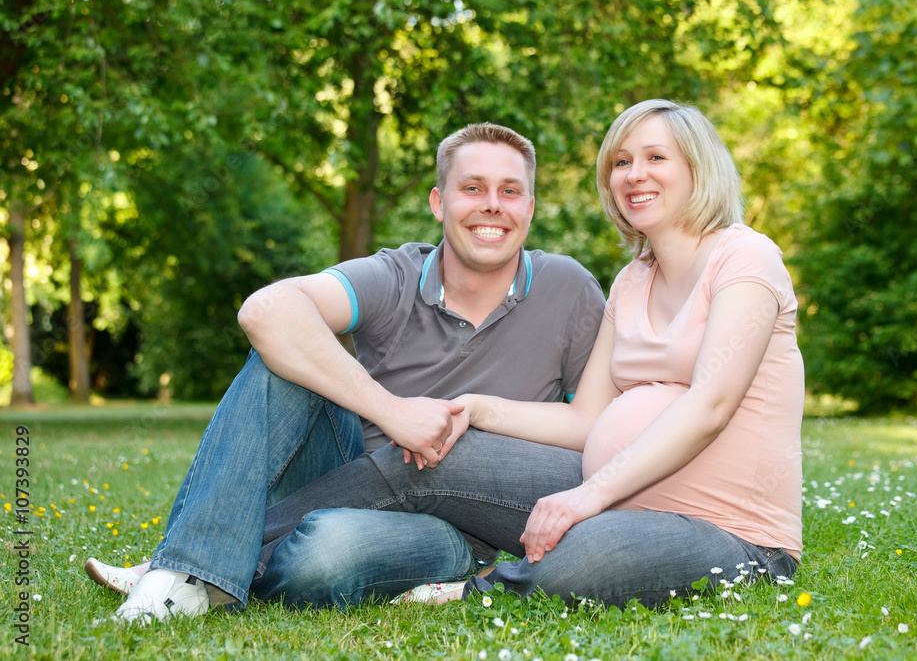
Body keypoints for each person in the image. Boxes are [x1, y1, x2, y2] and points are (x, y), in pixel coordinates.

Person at [251, 98, 803, 608]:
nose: (634, 174)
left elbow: (711, 405)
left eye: (656, 157)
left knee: (591, 553)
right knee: (438, 449)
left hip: (728, 531)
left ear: (698, 170)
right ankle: (224, 562)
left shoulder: (746, 259)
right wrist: (476, 409)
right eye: (621, 161)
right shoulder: (632, 282)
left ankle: (473, 590)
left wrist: (587, 497)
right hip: (615, 493)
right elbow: (587, 419)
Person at [90, 122, 606, 622]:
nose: (492, 204)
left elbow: (599, 424)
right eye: (472, 188)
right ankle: (190, 570)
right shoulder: (396, 275)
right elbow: (265, 311)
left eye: (510, 191)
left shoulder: (569, 287)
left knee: (326, 556)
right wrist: (392, 412)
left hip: (455, 531)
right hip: (348, 476)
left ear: (530, 209)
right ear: (438, 202)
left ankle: (197, 566)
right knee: (282, 358)